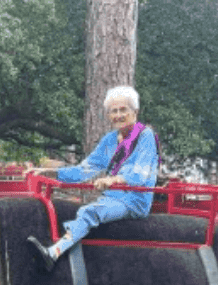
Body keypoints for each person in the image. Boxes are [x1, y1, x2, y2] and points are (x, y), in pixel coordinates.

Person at [26, 86, 159, 271]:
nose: (118, 115)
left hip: (135, 199)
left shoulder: (146, 136)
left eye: (123, 110)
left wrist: (113, 180)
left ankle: (53, 253)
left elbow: (140, 174)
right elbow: (85, 170)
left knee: (89, 211)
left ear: (135, 112)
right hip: (113, 198)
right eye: (114, 111)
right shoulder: (110, 140)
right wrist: (51, 172)